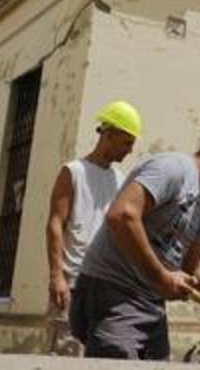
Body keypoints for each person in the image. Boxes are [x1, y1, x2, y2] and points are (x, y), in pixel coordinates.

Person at [70, 113, 200, 359]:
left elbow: (194, 265)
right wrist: (161, 277)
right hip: (114, 294)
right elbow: (122, 215)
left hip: (150, 303)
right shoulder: (172, 168)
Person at [45, 100, 140, 353]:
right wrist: (57, 276)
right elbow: (55, 223)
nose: (130, 150)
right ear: (108, 134)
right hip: (71, 284)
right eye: (127, 142)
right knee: (66, 354)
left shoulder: (121, 181)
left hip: (104, 285)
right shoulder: (73, 172)